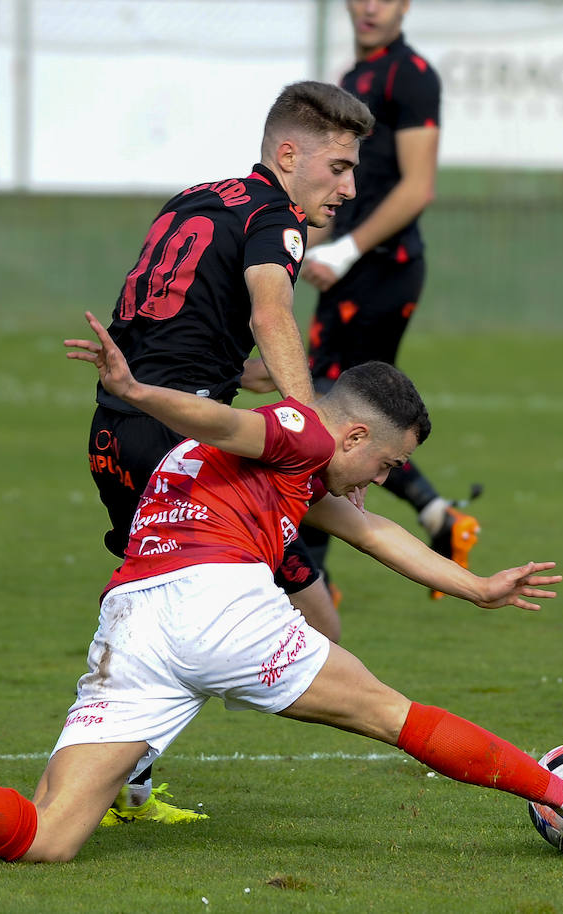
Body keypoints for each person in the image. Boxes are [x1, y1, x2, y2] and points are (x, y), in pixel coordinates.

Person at [0, 312, 563, 866]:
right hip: (215, 604)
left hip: (134, 619)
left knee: (51, 834)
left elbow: (372, 533)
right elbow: (235, 420)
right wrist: (136, 392)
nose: (381, 480)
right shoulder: (299, 432)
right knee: (391, 714)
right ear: (348, 433)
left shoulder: (291, 473)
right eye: (384, 461)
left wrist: (478, 588)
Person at [86, 80, 373, 824]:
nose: (349, 186)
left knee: (150, 591)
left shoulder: (196, 198)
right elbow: (270, 309)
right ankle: (127, 758)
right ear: (288, 154)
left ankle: (118, 750)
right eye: (338, 167)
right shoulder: (277, 218)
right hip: (176, 438)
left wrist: (231, 373)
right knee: (318, 617)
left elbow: (173, 324)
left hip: (115, 432)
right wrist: (311, 436)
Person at [299, 0, 480, 600]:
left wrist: (347, 251)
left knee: (334, 409)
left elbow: (417, 187)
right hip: (347, 270)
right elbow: (339, 192)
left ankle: (313, 577)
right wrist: (298, 248)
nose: (371, 7)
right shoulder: (351, 81)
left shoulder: (413, 76)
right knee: (327, 405)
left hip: (385, 271)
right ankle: (436, 517)